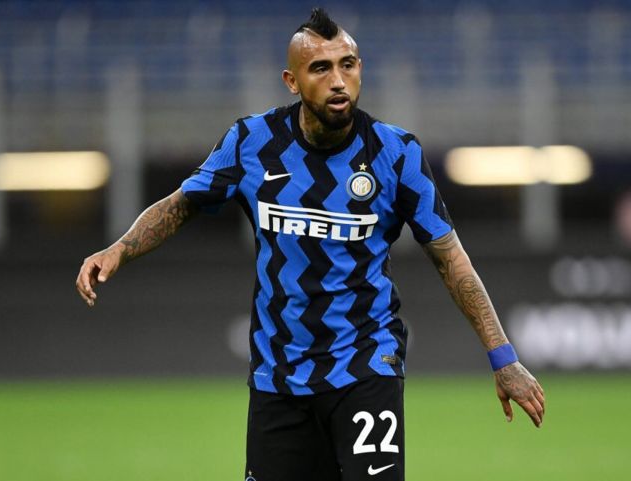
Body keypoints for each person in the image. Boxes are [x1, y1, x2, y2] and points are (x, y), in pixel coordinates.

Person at [76, 8, 545, 481]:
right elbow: (181, 205)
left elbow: (450, 260)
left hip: (366, 364)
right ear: (292, 81)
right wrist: (120, 248)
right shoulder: (251, 142)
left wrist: (503, 358)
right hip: (279, 375)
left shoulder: (397, 153)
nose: (338, 81)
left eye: (348, 64)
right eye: (321, 68)